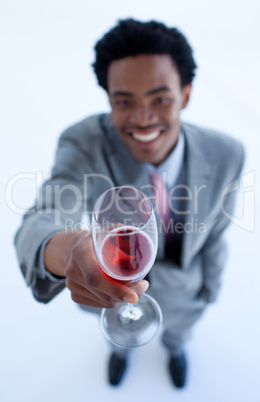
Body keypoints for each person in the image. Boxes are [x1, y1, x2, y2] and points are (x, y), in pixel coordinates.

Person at [14, 18, 245, 388]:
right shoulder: (83, 142)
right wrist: (67, 249)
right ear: (108, 98)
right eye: (124, 101)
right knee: (117, 339)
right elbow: (43, 216)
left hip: (185, 295)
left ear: (186, 94)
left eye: (160, 99)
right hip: (108, 296)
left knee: (178, 335)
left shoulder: (228, 153)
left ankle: (175, 348)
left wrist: (208, 293)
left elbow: (216, 234)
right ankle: (120, 352)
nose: (142, 119)